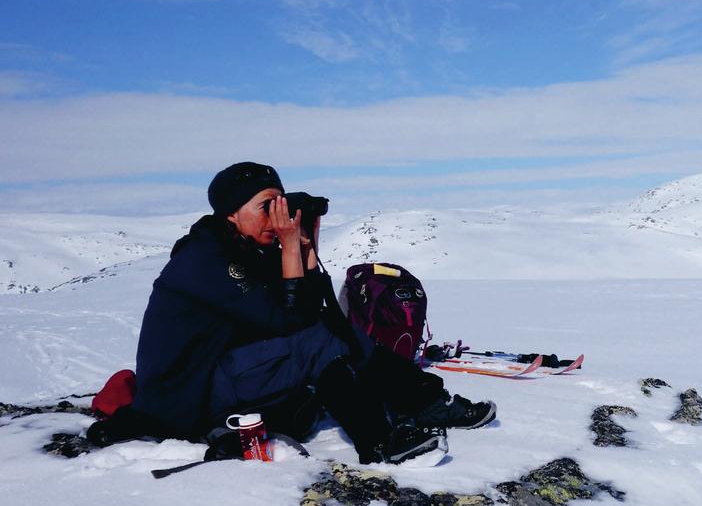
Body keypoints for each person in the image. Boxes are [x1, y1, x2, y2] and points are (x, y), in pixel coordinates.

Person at [87, 161, 495, 463]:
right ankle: (378, 443)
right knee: (315, 342)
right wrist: (288, 250)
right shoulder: (206, 258)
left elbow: (322, 313)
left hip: (218, 374)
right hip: (187, 395)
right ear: (231, 212)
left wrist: (304, 253)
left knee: (336, 333)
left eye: (278, 206)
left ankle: (424, 401)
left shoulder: (244, 247)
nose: (275, 217)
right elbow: (288, 322)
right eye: (265, 207)